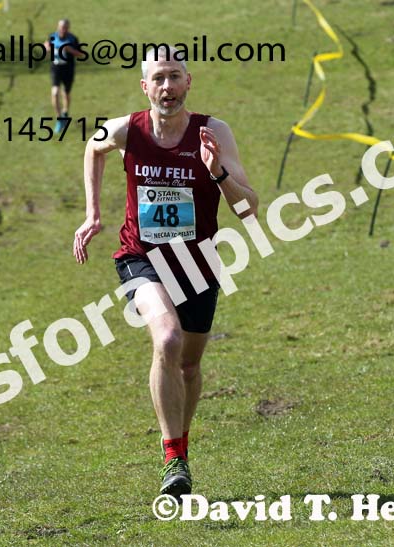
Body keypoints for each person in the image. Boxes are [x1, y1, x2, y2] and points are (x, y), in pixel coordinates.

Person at [72, 45, 258, 498]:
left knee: (190, 365)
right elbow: (93, 145)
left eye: (175, 76)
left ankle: (181, 451)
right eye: (158, 78)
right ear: (145, 87)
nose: (167, 87)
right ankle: (172, 457)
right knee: (168, 339)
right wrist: (93, 213)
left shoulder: (213, 132)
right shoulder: (127, 129)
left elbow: (250, 208)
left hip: (198, 264)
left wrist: (217, 174)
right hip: (141, 258)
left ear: (188, 82)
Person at [43, 19, 86, 133]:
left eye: (65, 27)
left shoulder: (72, 39)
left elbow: (81, 54)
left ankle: (65, 112)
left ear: (68, 28)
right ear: (58, 27)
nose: (63, 30)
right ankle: (59, 118)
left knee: (65, 93)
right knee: (55, 92)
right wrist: (47, 48)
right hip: (56, 68)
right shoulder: (52, 36)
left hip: (68, 69)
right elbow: (46, 46)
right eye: (61, 27)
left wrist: (70, 50)